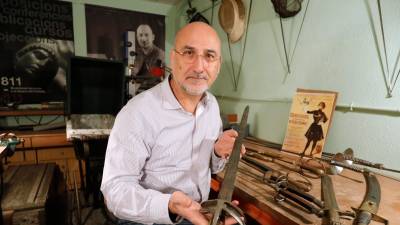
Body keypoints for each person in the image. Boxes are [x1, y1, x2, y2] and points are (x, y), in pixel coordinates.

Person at [101, 22, 245, 225]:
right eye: (188, 53)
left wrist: (217, 152)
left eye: (209, 56)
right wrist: (169, 205)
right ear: (173, 57)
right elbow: (115, 192)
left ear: (218, 65)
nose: (198, 67)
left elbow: (210, 167)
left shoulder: (212, 106)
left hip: (199, 211)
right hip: (148, 218)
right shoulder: (137, 113)